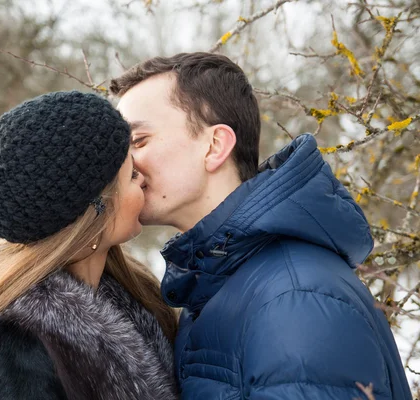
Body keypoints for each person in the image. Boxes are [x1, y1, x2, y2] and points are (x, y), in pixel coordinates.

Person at [110, 52, 413, 400]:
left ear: (215, 146)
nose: (126, 164)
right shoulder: (220, 282)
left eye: (138, 142)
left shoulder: (294, 300)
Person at [0, 91, 179, 400]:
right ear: (96, 207)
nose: (144, 181)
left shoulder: (137, 296)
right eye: (131, 175)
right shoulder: (13, 350)